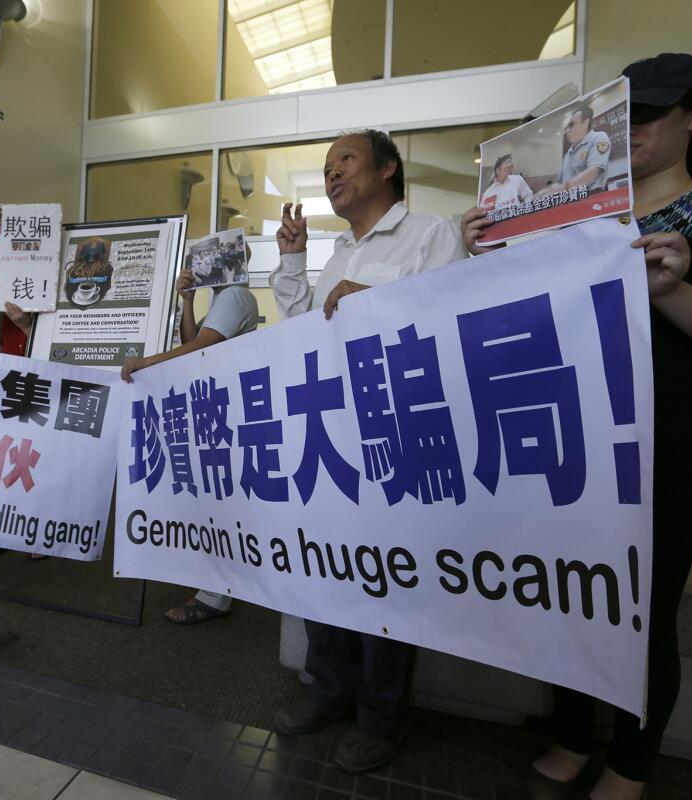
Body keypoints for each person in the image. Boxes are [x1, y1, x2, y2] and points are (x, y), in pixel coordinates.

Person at [463, 53, 692, 800]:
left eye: (649, 112)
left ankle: (631, 760)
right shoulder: (564, 217)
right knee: (564, 593)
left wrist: (669, 289)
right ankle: (575, 734)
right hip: (561, 426)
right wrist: (480, 253)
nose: (632, 128)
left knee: (642, 606)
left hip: (661, 432)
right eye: (621, 114)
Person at [269, 129, 466, 774]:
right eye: (325, 169)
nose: (330, 176)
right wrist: (295, 260)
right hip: (332, 435)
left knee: (385, 579)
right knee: (328, 569)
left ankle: (381, 717)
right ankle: (329, 689)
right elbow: (304, 326)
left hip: (398, 432)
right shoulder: (338, 249)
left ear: (387, 168)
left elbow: (447, 320)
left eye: (344, 161)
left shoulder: (433, 235)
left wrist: (374, 303)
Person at [120, 265, 259, 623]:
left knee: (223, 499)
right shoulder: (221, 298)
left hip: (225, 407)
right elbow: (192, 343)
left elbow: (199, 349)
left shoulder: (235, 295)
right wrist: (187, 301)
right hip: (215, 404)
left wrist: (146, 363)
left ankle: (216, 595)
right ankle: (219, 585)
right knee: (218, 496)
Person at [0, 301, 47, 562]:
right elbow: (5, 344)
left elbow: (61, 349)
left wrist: (27, 326)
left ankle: (36, 533)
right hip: (8, 383)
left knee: (34, 461)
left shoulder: (53, 298)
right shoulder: (9, 299)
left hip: (41, 385)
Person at [538, 104, 611, 198]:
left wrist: (564, 187)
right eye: (566, 127)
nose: (567, 130)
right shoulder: (568, 154)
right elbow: (559, 182)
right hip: (570, 202)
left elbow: (593, 171)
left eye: (571, 125)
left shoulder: (599, 137)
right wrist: (543, 193)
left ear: (585, 123)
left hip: (593, 198)